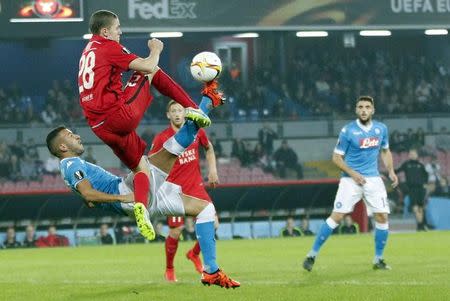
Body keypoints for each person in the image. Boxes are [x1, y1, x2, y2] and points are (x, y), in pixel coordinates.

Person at [46, 91, 239, 288]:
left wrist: (111, 199)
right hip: (130, 192)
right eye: (70, 135)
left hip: (138, 197)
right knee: (169, 150)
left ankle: (211, 270)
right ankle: (207, 99)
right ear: (62, 146)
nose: (76, 136)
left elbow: (88, 200)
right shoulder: (71, 165)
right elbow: (88, 194)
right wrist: (126, 197)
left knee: (205, 209)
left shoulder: (70, 167)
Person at [78, 10, 211, 214]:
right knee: (150, 70)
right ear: (105, 32)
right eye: (117, 28)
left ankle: (141, 207)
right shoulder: (108, 47)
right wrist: (156, 50)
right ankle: (191, 106)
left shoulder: (88, 50)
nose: (120, 32)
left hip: (99, 127)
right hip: (117, 116)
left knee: (141, 168)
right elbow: (148, 65)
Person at [302, 96, 398, 271]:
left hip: (373, 179)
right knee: (337, 216)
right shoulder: (348, 131)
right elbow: (336, 158)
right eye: (360, 107)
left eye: (367, 107)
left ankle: (378, 259)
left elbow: (385, 151)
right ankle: (311, 255)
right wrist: (353, 174)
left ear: (372, 110)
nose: (363, 110)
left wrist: (390, 170)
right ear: (356, 110)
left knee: (382, 216)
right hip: (350, 180)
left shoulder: (381, 129)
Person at [150, 100, 220, 282]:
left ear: (185, 112)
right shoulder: (161, 138)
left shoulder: (196, 129)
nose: (177, 114)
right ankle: (170, 268)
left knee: (213, 223)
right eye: (173, 111)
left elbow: (209, 148)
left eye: (180, 110)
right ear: (168, 115)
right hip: (174, 190)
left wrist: (212, 170)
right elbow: (151, 164)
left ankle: (194, 254)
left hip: (195, 186)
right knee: (176, 230)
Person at [395, 149, 428, 231]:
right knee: (415, 207)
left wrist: (425, 184)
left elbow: (426, 175)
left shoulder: (421, 165)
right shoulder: (406, 164)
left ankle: (420, 225)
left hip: (421, 189)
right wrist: (389, 173)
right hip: (411, 189)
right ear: (409, 155)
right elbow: (397, 171)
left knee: (420, 207)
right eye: (410, 154)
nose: (412, 155)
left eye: (414, 154)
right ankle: (420, 225)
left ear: (417, 155)